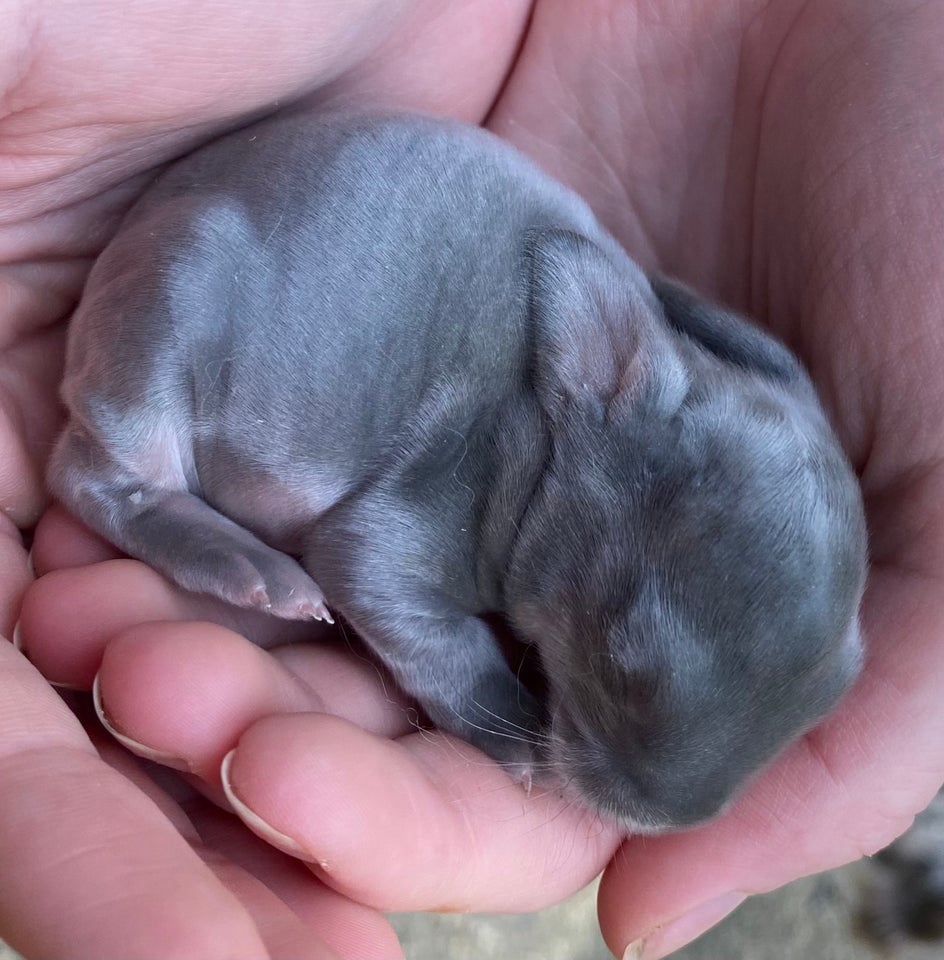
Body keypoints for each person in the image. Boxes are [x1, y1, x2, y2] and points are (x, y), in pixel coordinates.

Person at [2, 2, 942, 957]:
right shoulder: (549, 431)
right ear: (597, 364)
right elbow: (372, 553)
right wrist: (491, 709)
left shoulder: (646, 396)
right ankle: (122, 485)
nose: (680, 805)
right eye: (627, 662)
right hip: (213, 270)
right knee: (189, 280)